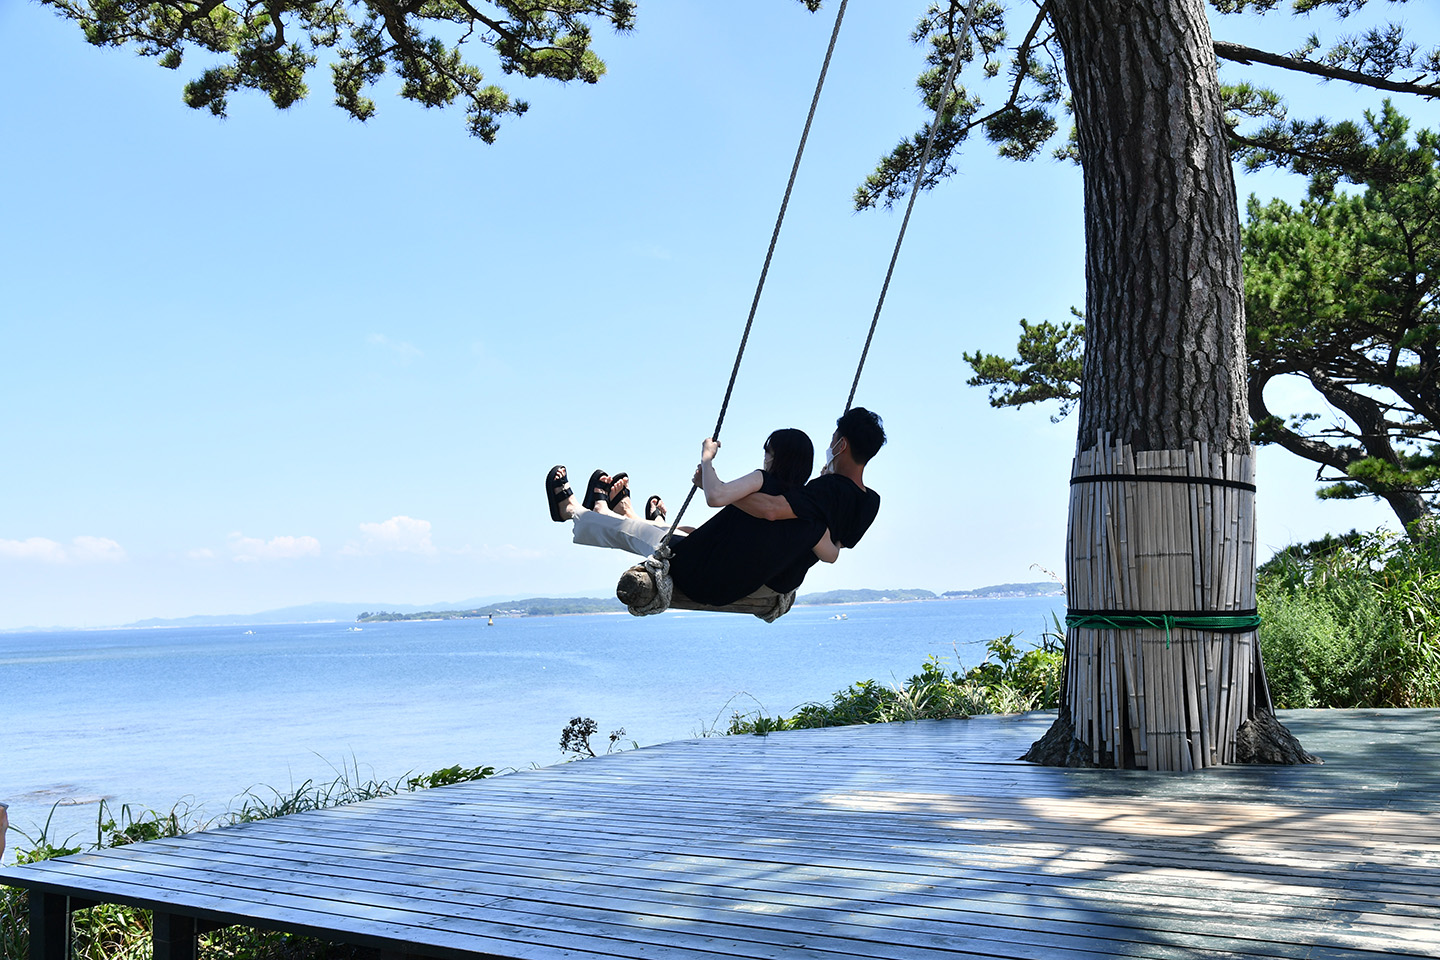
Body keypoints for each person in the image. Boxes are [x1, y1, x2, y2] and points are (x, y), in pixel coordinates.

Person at [545, 429, 839, 605]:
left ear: (778, 458)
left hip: (695, 571)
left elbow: (716, 496)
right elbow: (830, 554)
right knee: (680, 530)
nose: (765, 458)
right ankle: (624, 514)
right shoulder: (802, 508)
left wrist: (707, 457)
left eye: (768, 453)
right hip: (729, 587)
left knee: (629, 532)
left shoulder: (763, 481)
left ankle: (572, 510)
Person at [731, 407, 885, 582]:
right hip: (789, 581)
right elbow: (837, 545)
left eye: (832, 440)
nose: (829, 446)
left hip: (765, 576)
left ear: (841, 445)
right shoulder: (871, 502)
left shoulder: (827, 488)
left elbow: (770, 509)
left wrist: (721, 490)